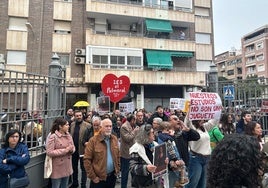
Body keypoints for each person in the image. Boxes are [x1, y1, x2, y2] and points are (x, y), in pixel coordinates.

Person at [83, 118, 120, 188]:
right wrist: (93, 177)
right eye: (106, 126)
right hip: (98, 179)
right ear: (100, 127)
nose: (109, 128)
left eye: (110, 126)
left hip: (112, 176)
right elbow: (87, 160)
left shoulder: (114, 139)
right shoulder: (93, 141)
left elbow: (118, 155)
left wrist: (117, 169)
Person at [46, 117, 75, 188]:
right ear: (60, 126)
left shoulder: (68, 135)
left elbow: (73, 147)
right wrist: (65, 150)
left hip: (67, 165)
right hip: (57, 167)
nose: (68, 126)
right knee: (56, 186)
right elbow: (49, 152)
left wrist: (72, 150)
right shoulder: (53, 136)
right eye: (66, 125)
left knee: (65, 186)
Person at [157, 121, 189, 188]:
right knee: (173, 183)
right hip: (172, 164)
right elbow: (171, 149)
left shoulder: (159, 136)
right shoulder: (167, 138)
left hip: (163, 163)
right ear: (167, 129)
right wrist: (176, 159)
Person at [185, 117, 211, 188]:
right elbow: (187, 122)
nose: (203, 120)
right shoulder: (192, 128)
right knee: (193, 182)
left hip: (207, 158)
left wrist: (218, 110)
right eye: (201, 119)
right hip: (196, 158)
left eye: (203, 119)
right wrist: (189, 110)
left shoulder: (205, 128)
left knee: (203, 184)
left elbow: (214, 122)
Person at [69, 110, 91, 188]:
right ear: (74, 116)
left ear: (82, 116)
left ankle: (83, 185)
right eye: (77, 116)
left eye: (80, 115)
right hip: (74, 150)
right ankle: (75, 183)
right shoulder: (72, 125)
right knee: (74, 167)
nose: (78, 117)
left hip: (83, 150)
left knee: (83, 169)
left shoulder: (88, 125)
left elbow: (90, 138)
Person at [120, 113, 139, 188]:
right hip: (126, 153)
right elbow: (127, 138)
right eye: (135, 120)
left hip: (133, 152)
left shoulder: (132, 126)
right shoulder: (124, 127)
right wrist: (135, 132)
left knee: (133, 171)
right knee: (125, 172)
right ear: (132, 120)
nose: (135, 122)